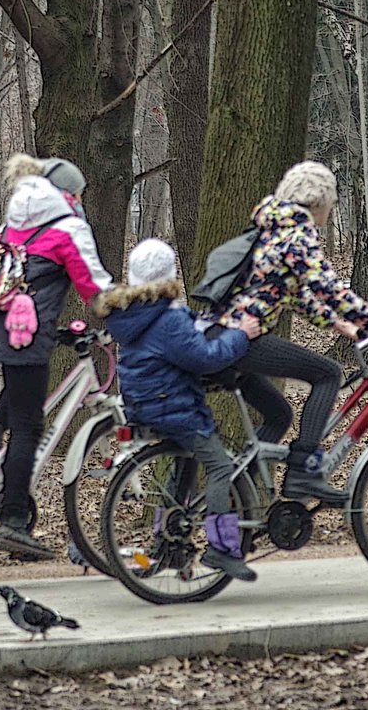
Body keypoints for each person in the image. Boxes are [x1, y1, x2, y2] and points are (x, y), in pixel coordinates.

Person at [208, 161, 368, 507]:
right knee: (328, 372)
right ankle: (304, 469)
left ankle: (233, 497)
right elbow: (329, 288)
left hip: (222, 335)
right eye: (331, 204)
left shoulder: (274, 228)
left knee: (279, 416)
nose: (330, 212)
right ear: (319, 202)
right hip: (242, 340)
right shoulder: (297, 234)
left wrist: (337, 323)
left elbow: (290, 292)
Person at [0, 154, 113, 560]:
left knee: (8, 412)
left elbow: (22, 278)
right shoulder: (68, 228)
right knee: (29, 427)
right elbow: (96, 290)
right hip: (25, 336)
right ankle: (13, 520)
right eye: (80, 194)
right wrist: (134, 314)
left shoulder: (13, 223)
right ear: (70, 193)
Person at [95, 239, 261, 581]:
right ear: (171, 276)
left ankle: (164, 541)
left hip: (145, 402)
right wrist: (241, 335)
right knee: (219, 467)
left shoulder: (134, 314)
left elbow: (178, 339)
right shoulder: (167, 318)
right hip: (172, 404)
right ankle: (223, 548)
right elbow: (205, 357)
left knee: (180, 471)